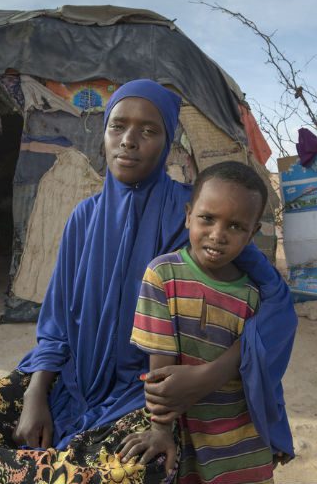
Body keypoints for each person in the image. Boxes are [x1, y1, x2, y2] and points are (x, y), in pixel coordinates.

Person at [0, 79, 296, 484]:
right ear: (105, 133)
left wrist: (209, 376)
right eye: (118, 126)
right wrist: (35, 395)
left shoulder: (197, 217)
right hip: (73, 378)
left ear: (166, 142)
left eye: (148, 130)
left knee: (137, 471)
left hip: (147, 395)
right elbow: (56, 324)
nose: (129, 141)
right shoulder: (84, 218)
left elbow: (277, 301)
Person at [119, 161, 282, 483]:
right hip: (187, 426)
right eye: (207, 218)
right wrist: (160, 430)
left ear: (252, 233)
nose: (218, 235)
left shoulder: (254, 296)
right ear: (188, 215)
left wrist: (274, 430)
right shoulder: (163, 275)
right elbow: (160, 371)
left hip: (241, 432)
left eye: (236, 227)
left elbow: (261, 374)